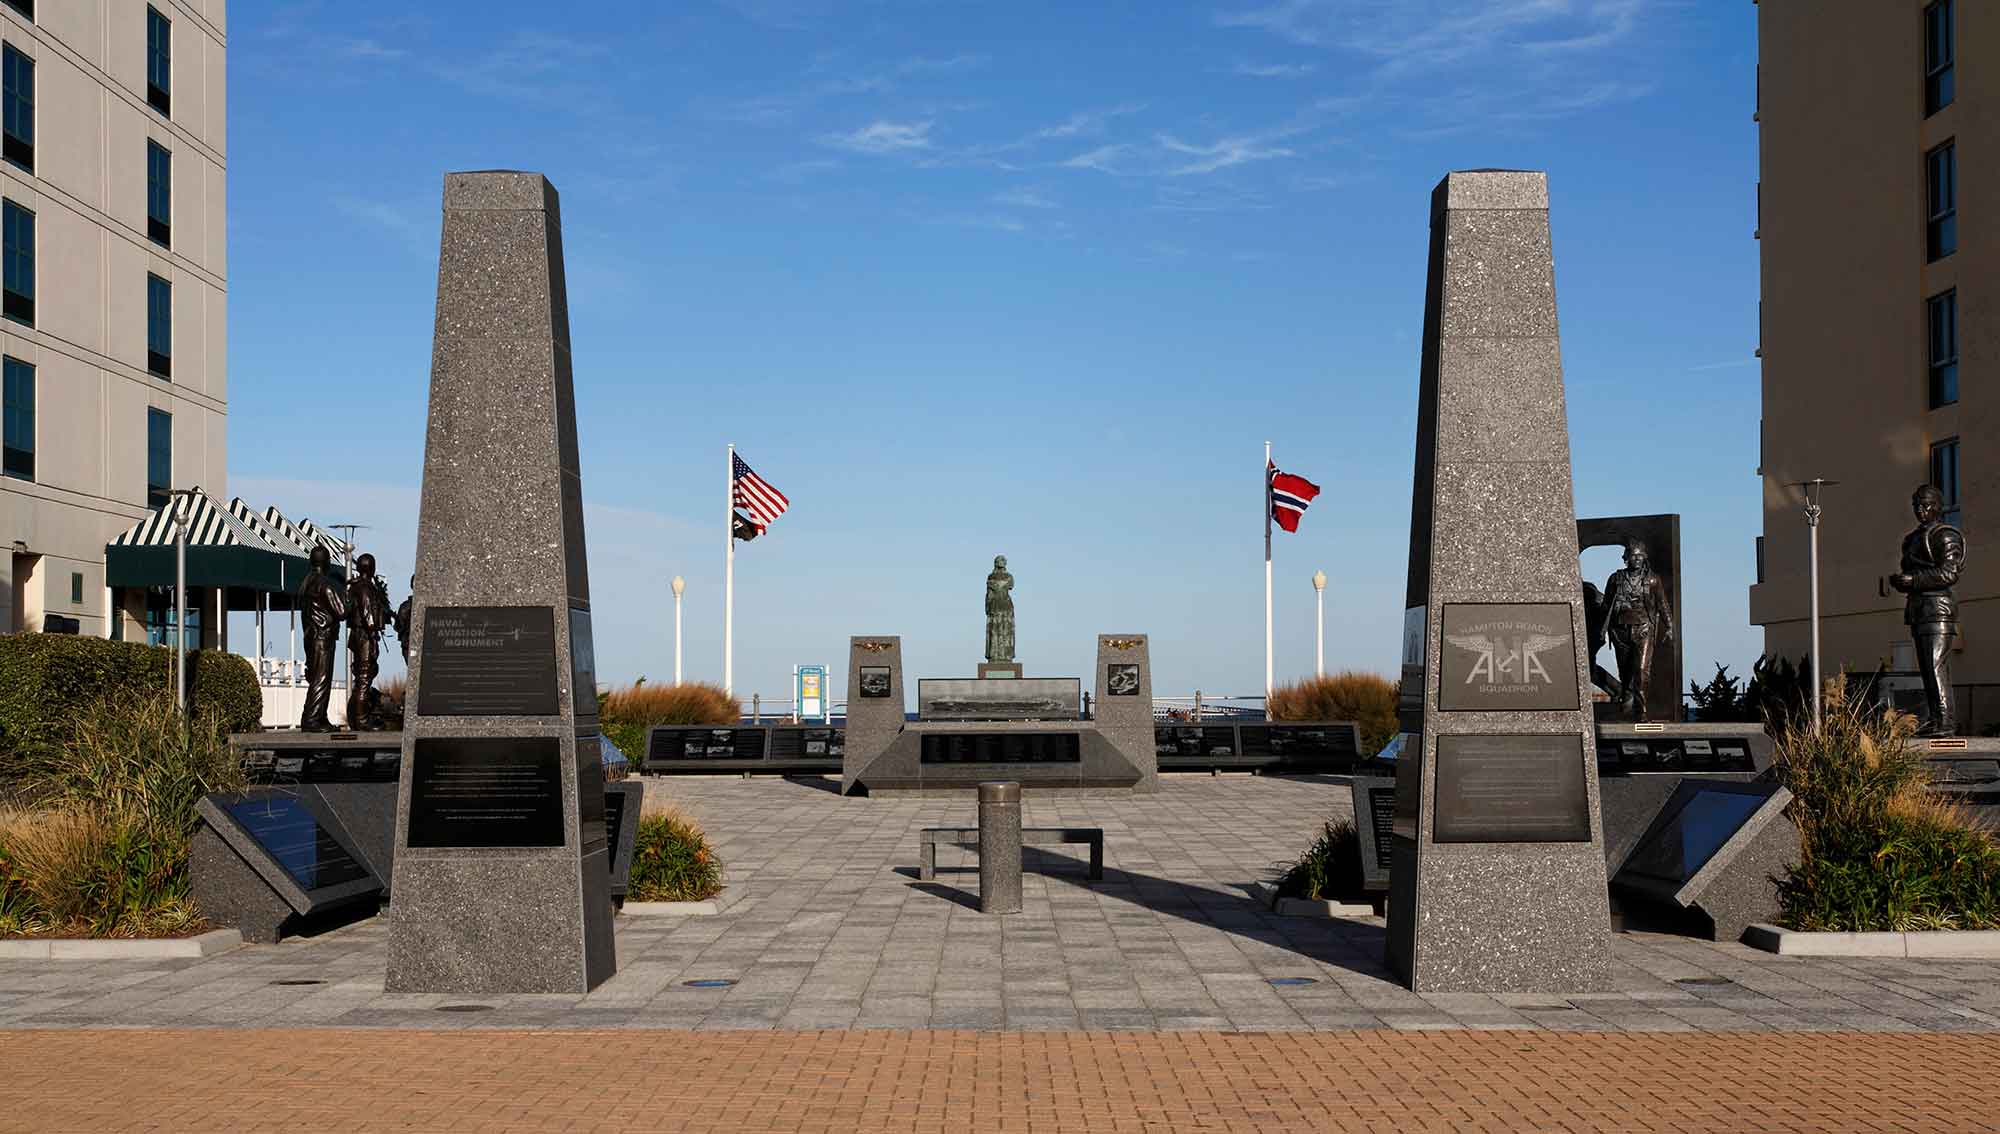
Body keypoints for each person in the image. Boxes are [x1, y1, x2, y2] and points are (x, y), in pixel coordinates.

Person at [1890, 484, 1966, 737]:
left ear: (1938, 507)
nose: (1921, 510)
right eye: (1917, 506)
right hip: (1919, 610)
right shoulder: (1911, 539)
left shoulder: (1946, 535)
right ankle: (1936, 720)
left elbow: (1948, 573)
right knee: (1927, 669)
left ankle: (1945, 723)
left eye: (1926, 505)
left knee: (1935, 666)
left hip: (1938, 609)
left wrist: (1912, 580)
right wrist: (1902, 582)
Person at [1602, 539, 1674, 721]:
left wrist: (1670, 625)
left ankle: (1641, 711)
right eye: (1633, 555)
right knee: (1625, 673)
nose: (1637, 559)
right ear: (1626, 558)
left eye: (1640, 555)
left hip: (1644, 630)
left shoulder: (1652, 579)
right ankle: (1626, 709)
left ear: (1645, 558)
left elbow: (1662, 604)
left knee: (1641, 671)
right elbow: (1605, 606)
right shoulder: (1615, 579)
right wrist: (1601, 629)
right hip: (1620, 631)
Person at [297, 546, 348, 731]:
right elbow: (342, 611)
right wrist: (347, 592)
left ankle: (319, 716)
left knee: (317, 676)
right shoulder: (323, 583)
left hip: (310, 636)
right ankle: (311, 720)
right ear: (326, 562)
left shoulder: (306, 582)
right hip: (322, 637)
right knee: (321, 677)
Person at [345, 553, 391, 730]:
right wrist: (373, 635)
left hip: (360, 635)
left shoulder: (358, 587)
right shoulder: (364, 588)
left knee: (363, 678)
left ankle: (359, 718)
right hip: (364, 635)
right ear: (371, 568)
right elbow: (367, 613)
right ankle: (361, 719)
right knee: (364, 678)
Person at [393, 576, 414, 667]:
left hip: (408, 644)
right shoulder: (405, 607)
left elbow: (398, 626)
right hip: (408, 644)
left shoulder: (405, 606)